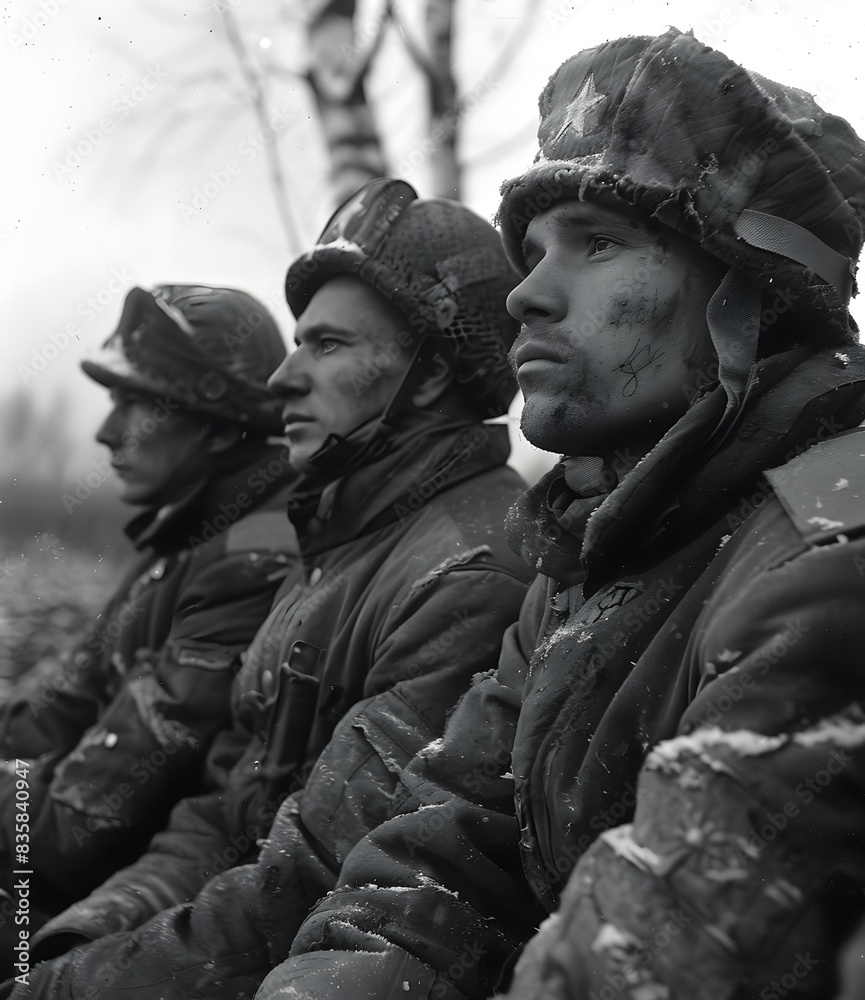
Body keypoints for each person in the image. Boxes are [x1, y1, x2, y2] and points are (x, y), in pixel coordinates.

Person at [243, 30, 864, 1000]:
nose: (525, 295)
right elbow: (434, 872)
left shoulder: (829, 552)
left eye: (597, 243)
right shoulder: (588, 552)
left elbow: (655, 962)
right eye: (532, 253)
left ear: (755, 292)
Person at [10, 180, 533, 997]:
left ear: (430, 374)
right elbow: (222, 815)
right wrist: (85, 935)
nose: (284, 377)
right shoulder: (334, 547)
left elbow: (305, 880)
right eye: (295, 343)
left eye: (326, 344)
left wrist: (64, 983)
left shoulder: (464, 574)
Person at [0, 284, 298, 974]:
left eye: (136, 404)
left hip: (105, 919)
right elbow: (52, 709)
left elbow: (81, 824)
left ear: (219, 428)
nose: (106, 432)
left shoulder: (254, 557)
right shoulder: (183, 536)